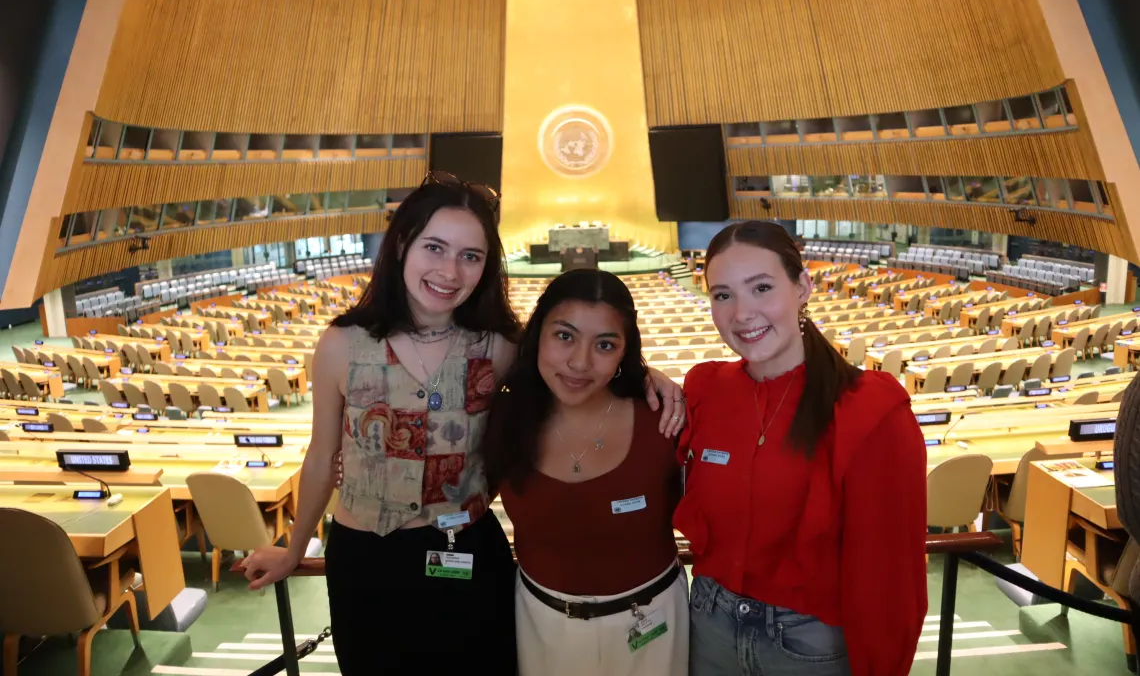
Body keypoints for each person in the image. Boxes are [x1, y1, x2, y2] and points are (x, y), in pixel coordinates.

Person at [242, 172, 687, 674]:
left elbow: (571, 357)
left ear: (486, 267)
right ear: (403, 244)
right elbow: (323, 456)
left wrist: (649, 373)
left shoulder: (498, 347)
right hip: (366, 559)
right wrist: (294, 548)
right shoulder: (341, 344)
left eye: (470, 257)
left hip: (466, 550)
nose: (449, 271)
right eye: (435, 247)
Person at [676, 221, 927, 676]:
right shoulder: (704, 389)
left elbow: (890, 577)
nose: (742, 313)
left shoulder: (871, 409)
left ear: (803, 287)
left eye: (762, 288)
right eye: (723, 295)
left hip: (809, 645)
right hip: (707, 626)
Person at [481, 269, 687, 676]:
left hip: (653, 624)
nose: (580, 362)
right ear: (537, 333)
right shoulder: (502, 417)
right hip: (542, 624)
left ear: (625, 352)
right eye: (564, 336)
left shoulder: (662, 419)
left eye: (605, 345)